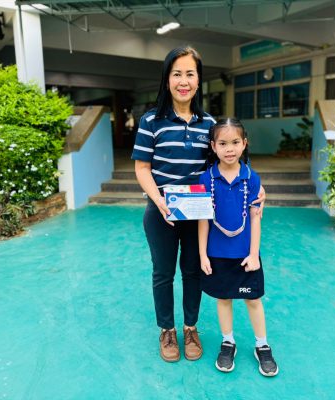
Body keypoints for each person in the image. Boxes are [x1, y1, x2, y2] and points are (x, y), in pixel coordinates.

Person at [131, 46, 266, 363]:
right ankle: (167, 330)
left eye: (190, 74)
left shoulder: (209, 123)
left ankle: (190, 328)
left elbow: (228, 160)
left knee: (193, 271)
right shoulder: (151, 121)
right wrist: (159, 201)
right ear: (167, 79)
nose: (183, 81)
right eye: (177, 74)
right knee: (163, 273)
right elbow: (142, 168)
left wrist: (257, 189)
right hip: (161, 212)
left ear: (198, 79)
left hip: (198, 212)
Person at [198, 118, 278, 377]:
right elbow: (203, 220)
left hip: (245, 255)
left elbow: (255, 217)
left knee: (253, 299)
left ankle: (262, 345)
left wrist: (254, 254)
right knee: (223, 298)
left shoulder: (252, 179)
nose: (229, 149)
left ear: (244, 144)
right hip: (217, 253)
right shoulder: (205, 179)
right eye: (222, 143)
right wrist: (203, 254)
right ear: (213, 146)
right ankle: (228, 341)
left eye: (235, 142)